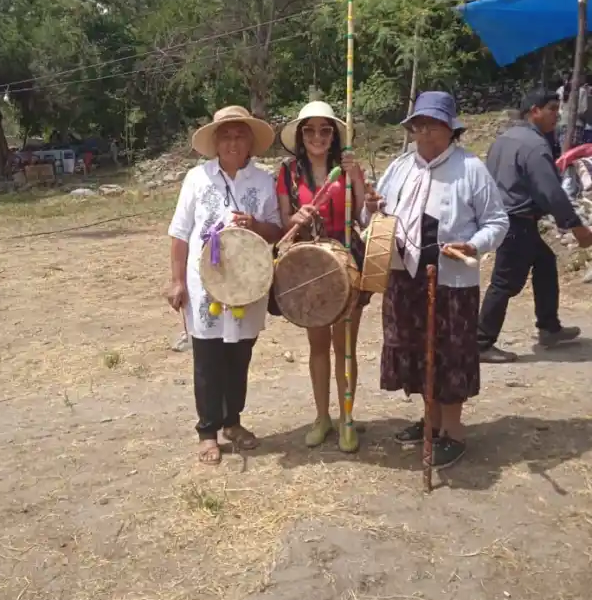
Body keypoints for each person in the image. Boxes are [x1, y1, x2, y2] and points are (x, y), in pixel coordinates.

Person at [364, 92, 509, 469]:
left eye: (433, 125)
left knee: (449, 352)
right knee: (416, 349)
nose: (424, 133)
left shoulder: (470, 169)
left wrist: (473, 244)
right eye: (418, 125)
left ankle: (453, 432)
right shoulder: (399, 168)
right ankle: (430, 420)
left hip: (450, 279)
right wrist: (371, 209)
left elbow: (497, 221)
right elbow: (379, 216)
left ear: (450, 129)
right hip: (405, 275)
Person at [167, 106, 282, 465]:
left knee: (239, 357)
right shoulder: (196, 179)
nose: (233, 142)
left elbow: (277, 231)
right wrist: (175, 281)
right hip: (205, 288)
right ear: (216, 141)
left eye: (240, 135)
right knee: (207, 359)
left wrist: (256, 224)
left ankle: (233, 422)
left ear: (251, 141)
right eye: (226, 135)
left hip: (247, 286)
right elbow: (179, 233)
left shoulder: (263, 182)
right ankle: (207, 432)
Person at [277, 101, 367, 453]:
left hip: (347, 264)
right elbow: (284, 221)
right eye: (310, 130)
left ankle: (347, 418)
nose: (317, 136)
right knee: (317, 346)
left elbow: (362, 216)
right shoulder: (287, 173)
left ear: (335, 135)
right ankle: (321, 417)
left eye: (325, 130)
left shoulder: (347, 169)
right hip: (309, 267)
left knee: (345, 348)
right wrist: (296, 216)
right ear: (301, 136)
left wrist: (358, 180)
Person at [478, 89, 592, 362]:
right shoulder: (534, 145)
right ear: (534, 111)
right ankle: (481, 342)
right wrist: (576, 227)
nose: (557, 114)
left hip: (504, 218)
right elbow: (550, 192)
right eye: (552, 108)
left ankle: (549, 327)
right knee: (503, 283)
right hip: (517, 221)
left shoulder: (503, 140)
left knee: (545, 262)